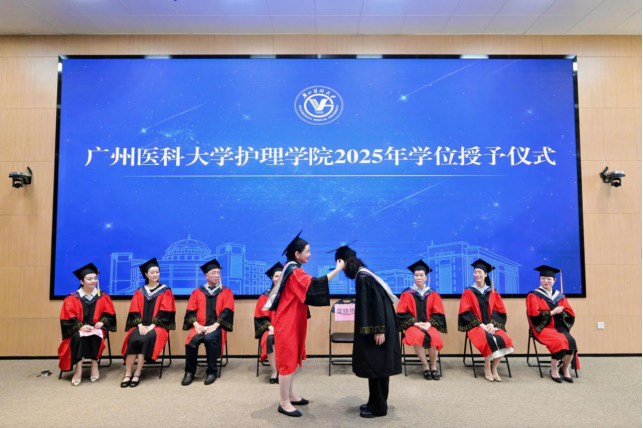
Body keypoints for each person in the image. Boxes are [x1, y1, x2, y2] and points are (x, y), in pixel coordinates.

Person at [262, 231, 345, 417]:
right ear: (297, 254)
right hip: (288, 322)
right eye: (307, 251)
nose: (310, 254)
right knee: (287, 360)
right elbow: (315, 284)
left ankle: (290, 395)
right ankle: (284, 402)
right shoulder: (294, 271)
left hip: (293, 320)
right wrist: (338, 269)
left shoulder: (290, 268)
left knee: (291, 358)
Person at [334, 244, 401, 419]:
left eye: (341, 266)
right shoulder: (365, 274)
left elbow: (376, 304)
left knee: (376, 366)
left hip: (378, 328)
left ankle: (378, 408)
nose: (343, 271)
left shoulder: (364, 278)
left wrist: (379, 329)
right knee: (378, 365)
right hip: (380, 325)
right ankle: (376, 402)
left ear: (344, 262)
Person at [57, 263, 116, 386]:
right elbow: (68, 316)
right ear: (81, 281)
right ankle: (78, 367)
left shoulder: (103, 296)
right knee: (80, 337)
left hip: (97, 328)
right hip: (78, 329)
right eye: (89, 279)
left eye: (95, 278)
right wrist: (80, 327)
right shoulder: (72, 298)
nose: (93, 281)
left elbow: (109, 313)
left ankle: (94, 364)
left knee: (95, 335)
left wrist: (102, 322)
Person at [121, 258, 176, 388]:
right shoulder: (140, 291)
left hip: (158, 327)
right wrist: (140, 325)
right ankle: (128, 373)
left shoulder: (165, 291)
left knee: (144, 338)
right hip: (140, 325)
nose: (155, 274)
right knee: (134, 337)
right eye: (152, 272)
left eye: (157, 272)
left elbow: (165, 311)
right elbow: (134, 309)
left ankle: (138, 373)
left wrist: (151, 326)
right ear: (146, 274)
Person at [458, 259, 514, 382]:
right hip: (475, 326)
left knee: (505, 340)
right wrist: (481, 325)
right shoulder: (468, 292)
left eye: (479, 272)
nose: (476, 274)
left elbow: (499, 309)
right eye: (475, 272)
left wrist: (492, 324)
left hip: (491, 325)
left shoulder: (492, 291)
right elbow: (465, 311)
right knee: (489, 339)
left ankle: (494, 367)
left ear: (486, 274)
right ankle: (487, 366)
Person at [181, 258, 234, 386]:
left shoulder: (226, 291)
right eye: (213, 273)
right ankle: (189, 372)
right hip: (199, 326)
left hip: (217, 327)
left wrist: (215, 325)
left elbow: (227, 310)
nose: (217, 275)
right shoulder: (197, 292)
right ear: (206, 275)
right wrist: (196, 325)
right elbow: (190, 310)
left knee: (210, 339)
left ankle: (212, 371)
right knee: (191, 341)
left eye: (218, 273)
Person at [397, 260, 447, 381]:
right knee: (416, 336)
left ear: (426, 277)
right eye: (416, 275)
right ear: (413, 276)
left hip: (429, 324)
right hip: (413, 325)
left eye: (421, 275)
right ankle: (425, 366)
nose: (418, 277)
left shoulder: (433, 293)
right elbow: (401, 312)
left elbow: (438, 311)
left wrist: (429, 323)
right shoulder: (407, 293)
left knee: (435, 337)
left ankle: (433, 366)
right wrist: (416, 323)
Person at [527, 265, 577, 383]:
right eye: (543, 278)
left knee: (571, 341)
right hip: (542, 328)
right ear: (539, 279)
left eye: (549, 279)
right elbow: (533, 314)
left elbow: (570, 313)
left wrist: (562, 312)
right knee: (558, 342)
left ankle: (564, 368)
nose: (546, 281)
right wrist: (551, 312)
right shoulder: (533, 295)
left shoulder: (559, 296)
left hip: (559, 327)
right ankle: (553, 369)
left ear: (554, 280)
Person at [254, 262, 283, 384]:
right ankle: (274, 371)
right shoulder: (266, 295)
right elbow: (260, 315)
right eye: (276, 276)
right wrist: (270, 327)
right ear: (272, 278)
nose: (279, 278)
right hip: (270, 328)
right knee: (270, 339)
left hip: (286, 328)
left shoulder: (290, 295)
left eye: (281, 276)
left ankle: (283, 371)